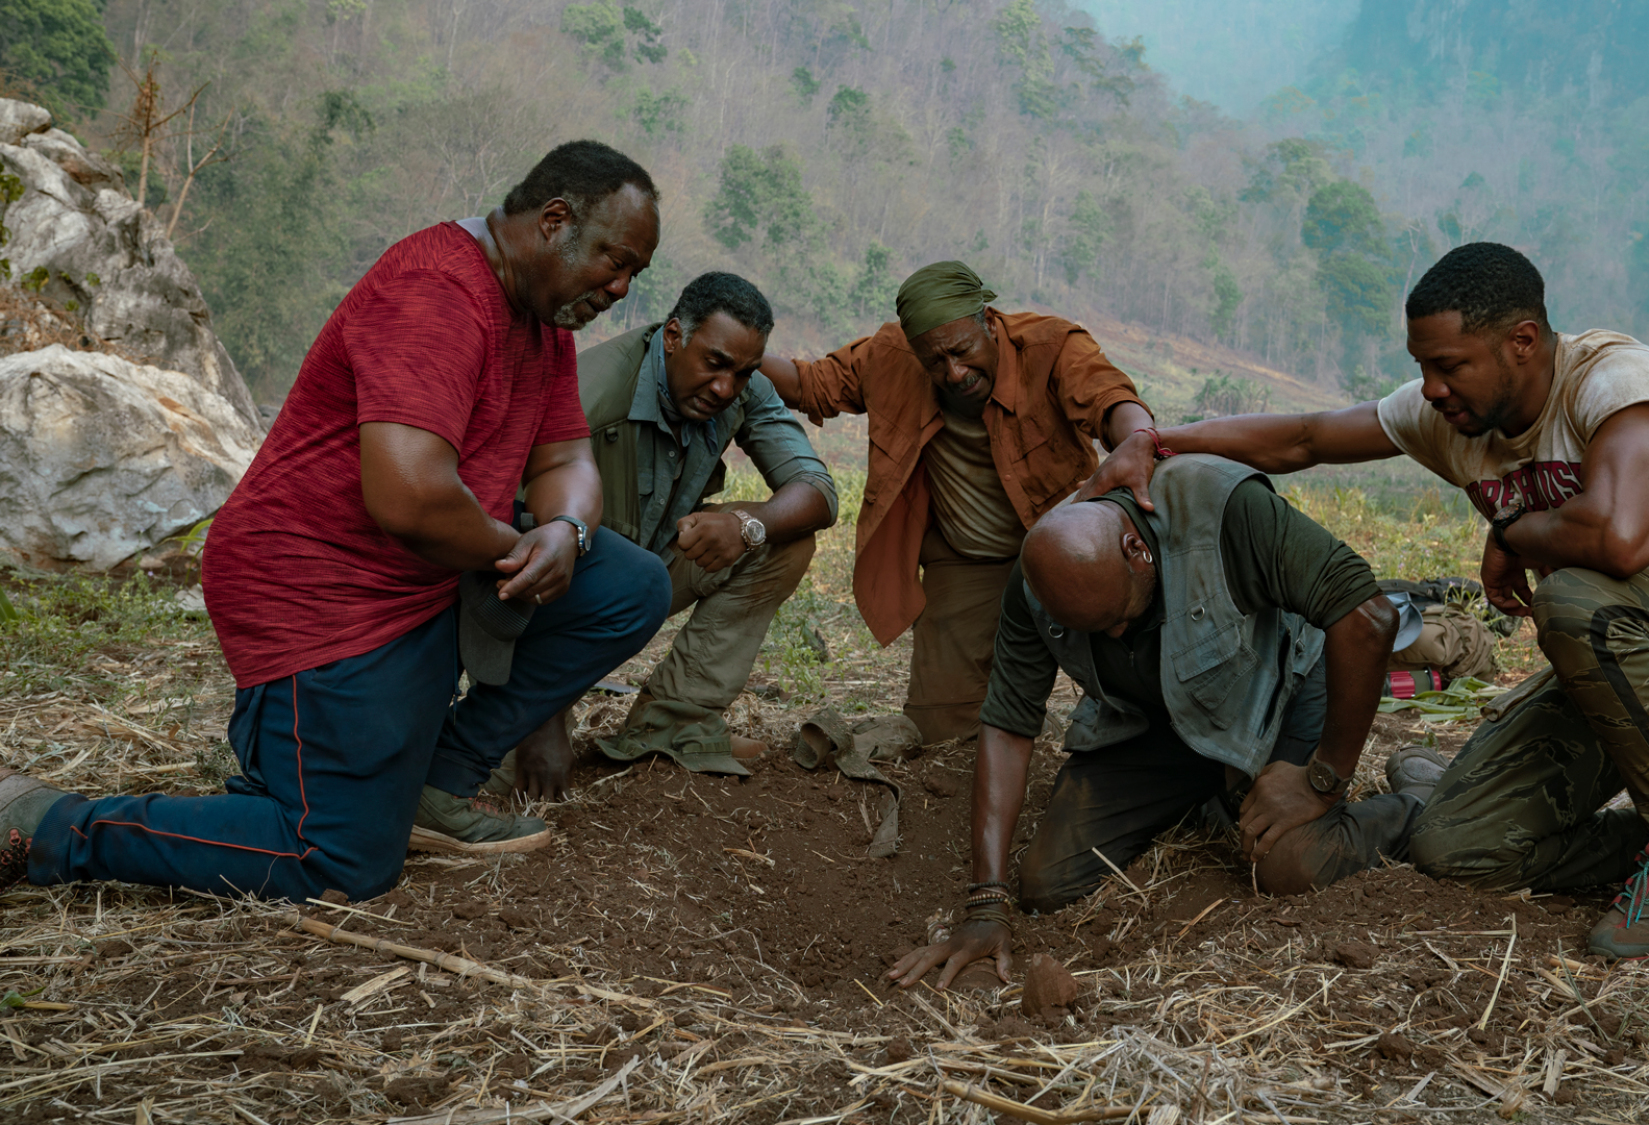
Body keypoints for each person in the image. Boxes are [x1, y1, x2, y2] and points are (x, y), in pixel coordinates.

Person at [1078, 242, 1649, 960]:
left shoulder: (1616, 382)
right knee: (1455, 845)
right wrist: (1156, 440)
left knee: (1575, 603)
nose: (1432, 387)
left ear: (1522, 341)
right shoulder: (1454, 418)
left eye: (1449, 365)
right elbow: (1305, 439)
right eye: (1422, 367)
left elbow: (1624, 542)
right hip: (1617, 673)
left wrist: (1516, 531)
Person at [0, 141, 672, 902]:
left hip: (426, 578)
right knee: (336, 858)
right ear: (555, 221)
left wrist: (566, 534)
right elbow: (409, 497)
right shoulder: (437, 290)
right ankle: (49, 824)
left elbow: (566, 464)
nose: (619, 288)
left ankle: (435, 785)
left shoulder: (544, 324)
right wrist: (517, 546)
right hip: (319, 587)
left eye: (633, 276)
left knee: (628, 584)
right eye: (614, 262)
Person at [886, 454, 1435, 989]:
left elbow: (1369, 616)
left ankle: (1421, 804)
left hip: (1278, 691)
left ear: (1136, 550)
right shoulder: (1038, 578)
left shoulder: (1225, 510)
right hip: (1156, 720)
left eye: (1123, 618)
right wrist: (986, 901)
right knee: (1048, 883)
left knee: (1289, 866)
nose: (1118, 639)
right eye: (1095, 633)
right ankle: (1216, 792)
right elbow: (1008, 724)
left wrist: (1322, 778)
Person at [759, 261, 1154, 744]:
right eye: (935, 362)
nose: (955, 373)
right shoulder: (891, 356)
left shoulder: (1051, 346)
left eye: (962, 351)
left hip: (1069, 552)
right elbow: (808, 385)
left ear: (988, 322)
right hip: (968, 561)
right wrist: (739, 350)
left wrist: (1137, 439)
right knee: (940, 727)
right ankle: (1016, 718)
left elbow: (1109, 399)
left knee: (1134, 702)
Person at [494, 271, 835, 782]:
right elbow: (514, 553)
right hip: (555, 593)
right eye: (714, 364)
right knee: (495, 776)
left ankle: (672, 722)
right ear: (673, 337)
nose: (725, 388)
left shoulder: (743, 389)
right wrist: (542, 716)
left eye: (742, 373)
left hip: (644, 576)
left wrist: (748, 525)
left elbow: (817, 490)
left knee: (781, 541)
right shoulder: (590, 395)